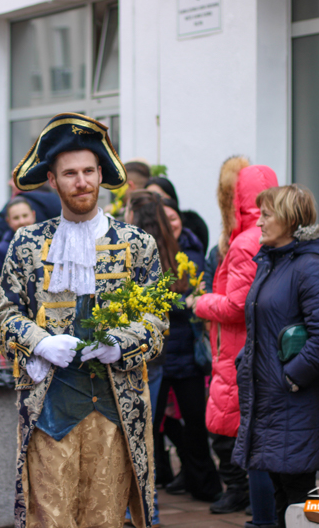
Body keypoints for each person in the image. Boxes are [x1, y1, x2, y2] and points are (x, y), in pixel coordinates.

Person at [0, 113, 166, 528]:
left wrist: (123, 342)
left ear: (101, 175)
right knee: (50, 520)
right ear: (53, 180)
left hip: (115, 411)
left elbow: (157, 320)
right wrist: (38, 341)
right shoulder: (28, 243)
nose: (82, 181)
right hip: (50, 408)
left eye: (89, 171)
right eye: (70, 173)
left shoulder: (137, 244)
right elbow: (4, 315)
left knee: (105, 520)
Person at [233, 185, 319, 528]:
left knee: (297, 502)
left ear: (290, 219)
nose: (260, 223)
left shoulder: (310, 266)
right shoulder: (272, 262)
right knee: (282, 498)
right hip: (270, 399)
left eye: (267, 215)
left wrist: (291, 377)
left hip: (291, 401)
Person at [192, 156, 278, 515]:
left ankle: (249, 497)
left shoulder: (245, 242)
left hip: (237, 347)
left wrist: (199, 302)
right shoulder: (273, 235)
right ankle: (256, 497)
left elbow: (236, 305)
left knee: (231, 427)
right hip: (259, 346)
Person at [127, 190, 222, 508]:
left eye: (174, 217)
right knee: (154, 427)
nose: (171, 224)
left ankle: (204, 485)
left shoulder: (187, 254)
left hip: (180, 353)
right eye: (165, 219)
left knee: (193, 422)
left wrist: (175, 302)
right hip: (160, 354)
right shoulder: (151, 253)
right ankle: (150, 495)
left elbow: (191, 301)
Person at [0, 197, 36, 270]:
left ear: (33, 215)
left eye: (25, 216)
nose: (22, 221)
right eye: (16, 218)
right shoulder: (3, 250)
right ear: (8, 221)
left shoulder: (48, 240)